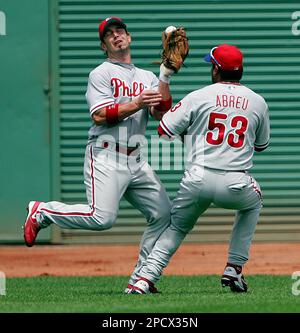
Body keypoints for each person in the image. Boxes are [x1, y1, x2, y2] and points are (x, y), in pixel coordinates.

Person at [23, 16, 179, 293]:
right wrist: (135, 102)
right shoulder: (101, 73)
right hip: (106, 154)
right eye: (110, 34)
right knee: (102, 218)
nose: (116, 36)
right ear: (104, 46)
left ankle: (141, 278)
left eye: (120, 31)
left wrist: (165, 76)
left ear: (129, 38)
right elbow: (99, 115)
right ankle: (44, 211)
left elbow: (160, 112)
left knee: (164, 215)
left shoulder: (147, 76)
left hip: (136, 159)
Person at [129, 44, 270, 294]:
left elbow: (164, 131)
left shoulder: (199, 95)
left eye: (211, 65)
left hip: (198, 179)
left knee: (177, 228)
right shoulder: (258, 102)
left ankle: (144, 279)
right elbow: (261, 146)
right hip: (236, 184)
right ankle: (234, 268)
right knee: (253, 203)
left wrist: (194, 135)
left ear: (216, 69)